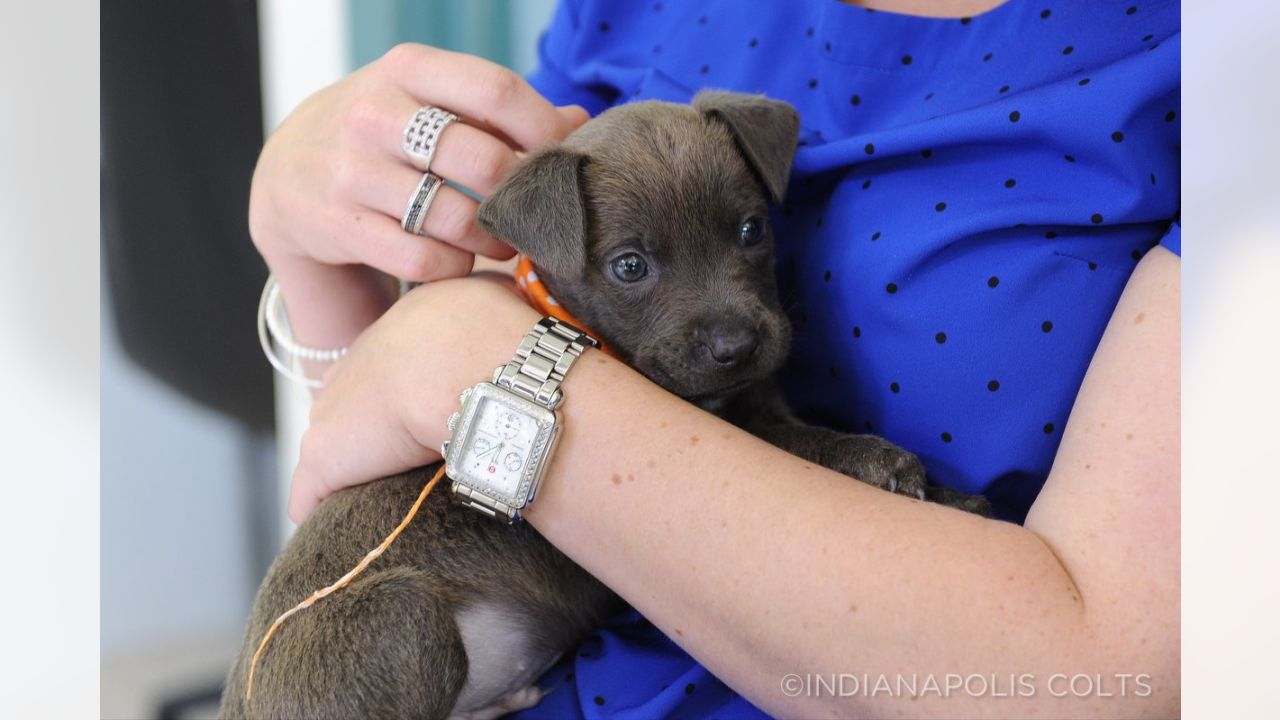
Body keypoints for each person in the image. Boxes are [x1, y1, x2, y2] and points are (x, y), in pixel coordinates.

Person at [251, 0, 1180, 716]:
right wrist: (310, 263)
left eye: (746, 234)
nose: (730, 321)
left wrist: (470, 356)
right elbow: (378, 429)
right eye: (632, 267)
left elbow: (1106, 682)